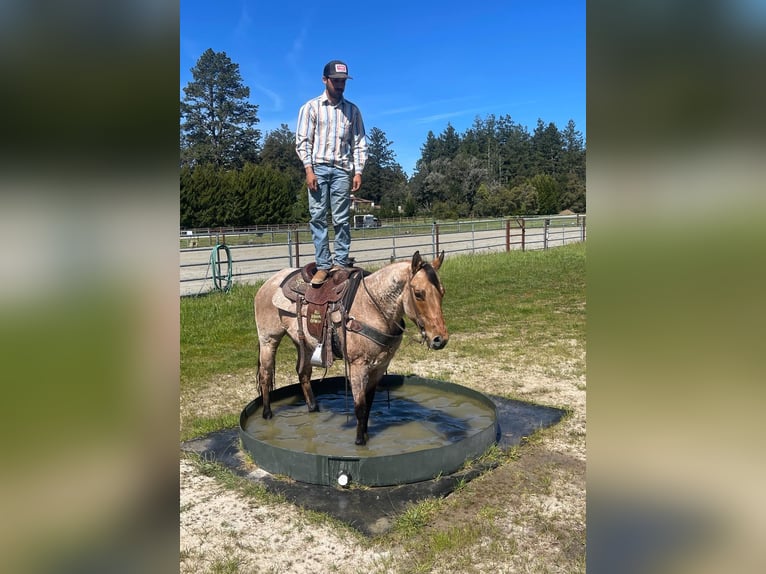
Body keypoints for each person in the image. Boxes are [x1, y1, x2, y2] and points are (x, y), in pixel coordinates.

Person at [295, 60, 368, 286]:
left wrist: (358, 171)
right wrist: (308, 169)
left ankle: (342, 262)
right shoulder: (311, 108)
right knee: (317, 216)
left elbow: (359, 142)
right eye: (336, 81)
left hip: (342, 170)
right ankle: (323, 265)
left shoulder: (352, 111)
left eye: (343, 81)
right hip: (318, 167)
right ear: (325, 80)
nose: (340, 85)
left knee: (341, 218)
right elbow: (303, 141)